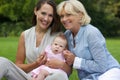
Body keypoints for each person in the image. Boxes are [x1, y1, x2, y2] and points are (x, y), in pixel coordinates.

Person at [0, 0, 71, 80]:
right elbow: (18, 66)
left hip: (48, 77)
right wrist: (36, 64)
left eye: (50, 15)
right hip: (28, 77)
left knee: (61, 76)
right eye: (43, 13)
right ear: (36, 11)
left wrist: (61, 64)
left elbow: (68, 71)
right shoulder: (25, 35)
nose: (46, 19)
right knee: (2, 62)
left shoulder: (59, 38)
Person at [57, 0, 120, 80]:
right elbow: (66, 62)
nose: (64, 19)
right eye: (62, 16)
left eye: (68, 15)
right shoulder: (67, 34)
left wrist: (75, 60)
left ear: (80, 15)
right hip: (88, 77)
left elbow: (102, 66)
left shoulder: (91, 32)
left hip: (108, 73)